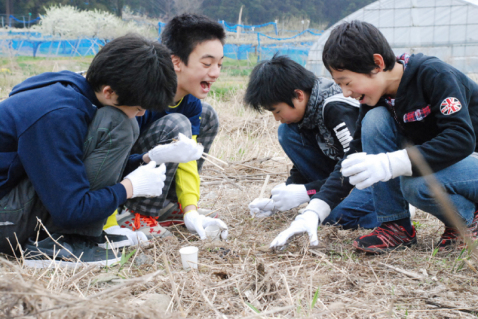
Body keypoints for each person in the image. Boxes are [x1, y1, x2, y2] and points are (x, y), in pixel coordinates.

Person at [270, 20, 478, 253]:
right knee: (375, 120)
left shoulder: (433, 74)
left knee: (415, 185)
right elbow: (353, 156)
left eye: (346, 82)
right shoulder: (376, 100)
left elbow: (461, 139)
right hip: (446, 169)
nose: (346, 93)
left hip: (471, 165)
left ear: (377, 64)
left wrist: (390, 163)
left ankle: (467, 220)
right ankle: (395, 225)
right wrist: (315, 210)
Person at [0, 34, 179, 267]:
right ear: (109, 92)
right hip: (5, 215)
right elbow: (70, 209)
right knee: (121, 125)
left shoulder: (76, 90)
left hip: (14, 196)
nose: (142, 113)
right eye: (138, 106)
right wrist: (128, 189)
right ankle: (59, 244)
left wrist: (146, 159)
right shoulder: (59, 114)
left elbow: (74, 166)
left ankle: (77, 237)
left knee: (122, 122)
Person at [112, 13, 229, 241]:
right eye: (207, 64)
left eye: (219, 64)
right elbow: (112, 156)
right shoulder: (141, 93)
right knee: (177, 124)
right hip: (123, 176)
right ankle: (135, 214)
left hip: (150, 170)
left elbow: (187, 159)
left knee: (207, 115)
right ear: (176, 62)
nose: (215, 73)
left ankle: (168, 206)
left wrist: (190, 209)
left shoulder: (191, 103)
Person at [244, 54, 379, 230]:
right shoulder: (306, 113)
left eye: (277, 111)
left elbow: (355, 168)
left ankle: (388, 210)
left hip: (371, 180)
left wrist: (307, 192)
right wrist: (278, 199)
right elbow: (304, 164)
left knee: (330, 217)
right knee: (286, 131)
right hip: (340, 179)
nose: (277, 118)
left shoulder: (335, 108)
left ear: (298, 95)